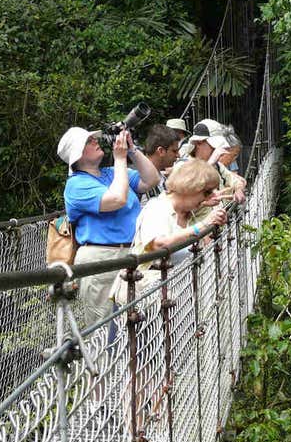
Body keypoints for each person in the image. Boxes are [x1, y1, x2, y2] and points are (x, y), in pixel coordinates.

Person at [58, 126, 160, 326]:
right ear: (77, 155)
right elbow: (117, 199)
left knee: (136, 324)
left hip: (131, 253)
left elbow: (151, 180)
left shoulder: (111, 173)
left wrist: (132, 150)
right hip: (101, 260)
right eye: (88, 141)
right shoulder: (76, 185)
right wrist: (120, 159)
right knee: (105, 329)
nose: (95, 141)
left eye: (93, 139)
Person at [111, 159, 228, 298]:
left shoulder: (188, 213)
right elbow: (158, 244)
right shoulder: (158, 208)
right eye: (207, 192)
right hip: (145, 301)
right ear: (191, 187)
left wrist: (206, 210)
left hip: (173, 297)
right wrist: (203, 225)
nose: (209, 196)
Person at [178, 119, 246, 204]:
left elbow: (237, 181)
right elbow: (183, 201)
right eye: (214, 147)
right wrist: (210, 163)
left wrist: (238, 190)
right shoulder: (182, 165)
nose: (218, 151)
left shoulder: (217, 166)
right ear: (199, 143)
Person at [141, 124, 181, 204]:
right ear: (161, 151)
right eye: (174, 151)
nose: (178, 155)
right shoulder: (138, 180)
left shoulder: (164, 179)